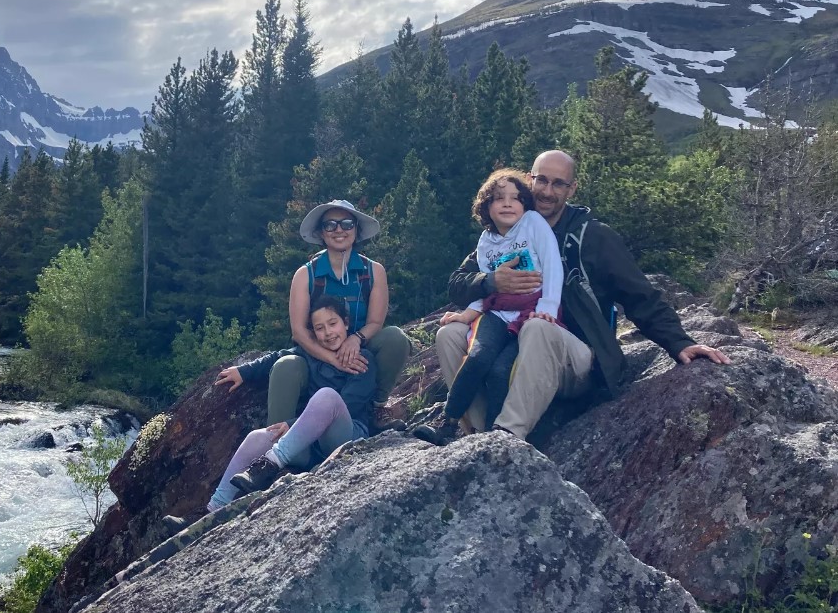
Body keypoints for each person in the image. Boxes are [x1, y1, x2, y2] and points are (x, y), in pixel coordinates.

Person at [433, 149, 730, 440]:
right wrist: (490, 282)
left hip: (577, 362)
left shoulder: (593, 237)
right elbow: (457, 284)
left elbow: (641, 297)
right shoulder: (508, 231)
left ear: (572, 189)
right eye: (541, 180)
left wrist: (680, 343)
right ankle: (474, 432)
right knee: (449, 335)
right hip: (509, 345)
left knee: (538, 326)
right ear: (529, 179)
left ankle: (508, 435)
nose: (547, 191)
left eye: (558, 183)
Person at [414, 169, 565, 446]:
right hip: (496, 314)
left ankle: (494, 438)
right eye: (498, 198)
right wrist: (466, 315)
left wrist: (549, 307)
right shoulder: (486, 241)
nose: (507, 203)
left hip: (529, 313)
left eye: (515, 198)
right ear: (486, 207)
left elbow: (553, 264)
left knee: (501, 371)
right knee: (477, 358)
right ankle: (449, 422)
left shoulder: (533, 223)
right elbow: (485, 286)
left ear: (525, 204)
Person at [203, 295, 377, 511]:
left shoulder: (363, 359)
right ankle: (214, 508)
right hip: (311, 446)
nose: (328, 333)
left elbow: (349, 407)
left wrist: (292, 423)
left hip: (345, 438)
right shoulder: (311, 354)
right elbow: (275, 357)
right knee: (256, 438)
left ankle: (270, 463)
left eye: (333, 324)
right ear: (313, 333)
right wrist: (243, 371)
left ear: (346, 323)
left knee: (327, 396)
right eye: (320, 328)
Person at [267, 200, 410, 438]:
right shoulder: (305, 275)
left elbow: (375, 321)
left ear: (356, 229)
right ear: (321, 233)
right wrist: (334, 359)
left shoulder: (374, 271)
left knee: (395, 338)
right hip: (317, 354)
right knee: (287, 366)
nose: (339, 230)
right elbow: (299, 332)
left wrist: (355, 339)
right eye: (330, 225)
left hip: (360, 355)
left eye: (346, 223)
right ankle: (273, 442)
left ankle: (376, 408)